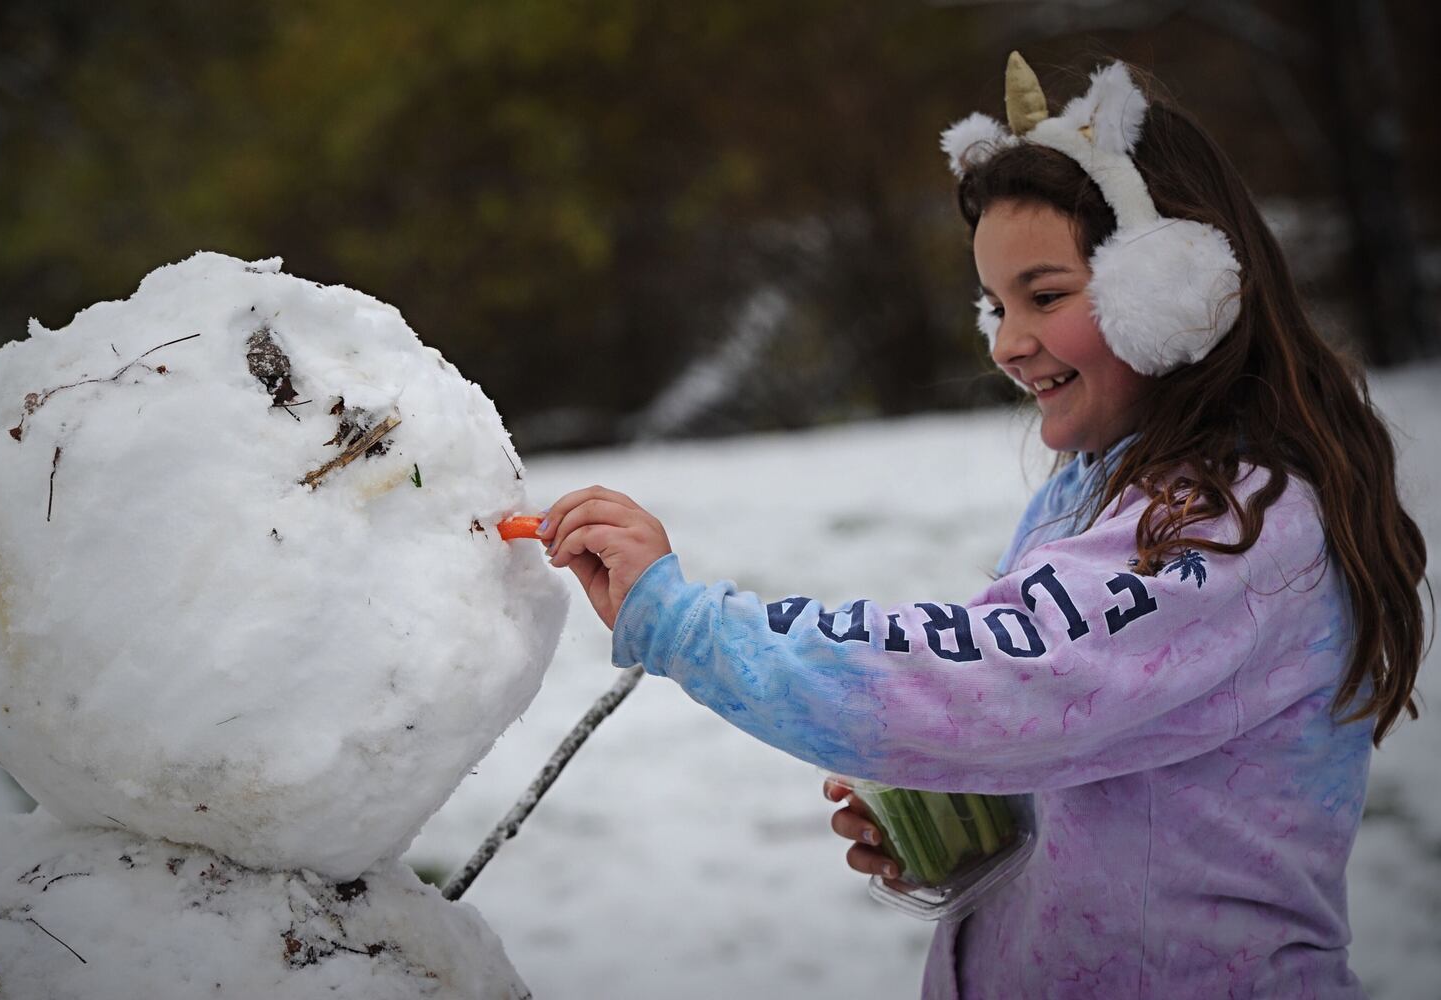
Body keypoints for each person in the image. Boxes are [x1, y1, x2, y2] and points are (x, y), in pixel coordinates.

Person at [537, 53, 1427, 998]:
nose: (1005, 342)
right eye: (994, 304)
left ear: (1175, 287)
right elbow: (1085, 733)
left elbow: (997, 677)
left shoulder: (1233, 532)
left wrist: (687, 624)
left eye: (1044, 297)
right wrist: (969, 822)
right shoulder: (1107, 484)